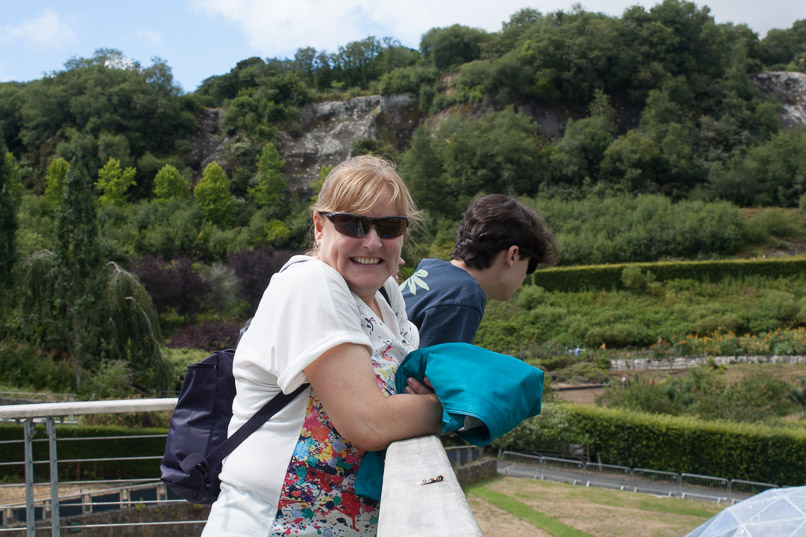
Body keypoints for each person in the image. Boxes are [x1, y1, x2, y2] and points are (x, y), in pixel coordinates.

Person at [202, 156, 442, 537]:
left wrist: (415, 405)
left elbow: (409, 388)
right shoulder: (312, 284)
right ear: (319, 226)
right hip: (271, 524)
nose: (372, 241)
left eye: (389, 226)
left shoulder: (387, 293)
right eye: (352, 224)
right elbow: (369, 422)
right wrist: (453, 407)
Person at [401, 193, 558, 348]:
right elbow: (435, 365)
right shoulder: (463, 295)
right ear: (513, 255)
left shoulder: (432, 273)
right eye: (532, 265)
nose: (525, 275)